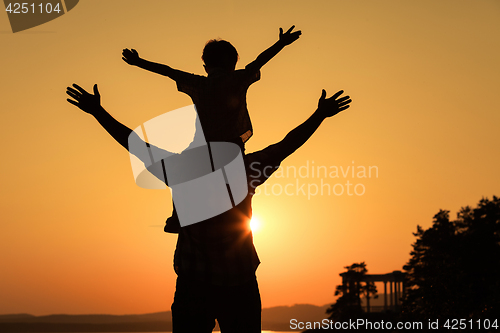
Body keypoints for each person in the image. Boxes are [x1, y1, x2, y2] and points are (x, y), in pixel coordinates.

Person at [66, 83, 351, 333]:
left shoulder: (182, 170)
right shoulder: (244, 169)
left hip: (196, 284)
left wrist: (98, 112)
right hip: (236, 283)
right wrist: (319, 116)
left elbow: (136, 145)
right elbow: (287, 145)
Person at [121, 26, 301, 144]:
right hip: (233, 148)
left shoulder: (199, 83)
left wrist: (139, 62)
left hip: (204, 149)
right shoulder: (237, 79)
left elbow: (168, 71)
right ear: (232, 63)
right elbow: (258, 62)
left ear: (206, 67)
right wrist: (281, 43)